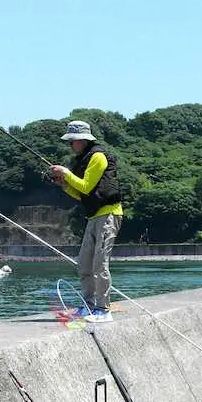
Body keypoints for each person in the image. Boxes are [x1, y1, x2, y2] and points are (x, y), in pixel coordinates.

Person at [49, 119, 124, 323]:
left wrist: (66, 173)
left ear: (81, 140)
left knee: (100, 263)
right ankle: (89, 306)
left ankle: (103, 309)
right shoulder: (83, 160)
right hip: (94, 216)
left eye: (72, 141)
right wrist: (64, 184)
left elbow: (86, 186)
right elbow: (80, 193)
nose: (70, 145)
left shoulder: (98, 157)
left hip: (109, 214)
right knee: (84, 264)